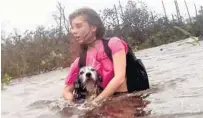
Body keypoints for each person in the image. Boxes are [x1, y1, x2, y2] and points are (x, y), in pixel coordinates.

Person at [63, 7, 148, 105]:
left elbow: (119, 78)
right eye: (72, 28)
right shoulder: (80, 61)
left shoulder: (114, 44)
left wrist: (95, 102)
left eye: (78, 26)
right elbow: (66, 90)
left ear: (93, 27)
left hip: (128, 99)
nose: (73, 31)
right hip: (104, 103)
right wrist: (75, 104)